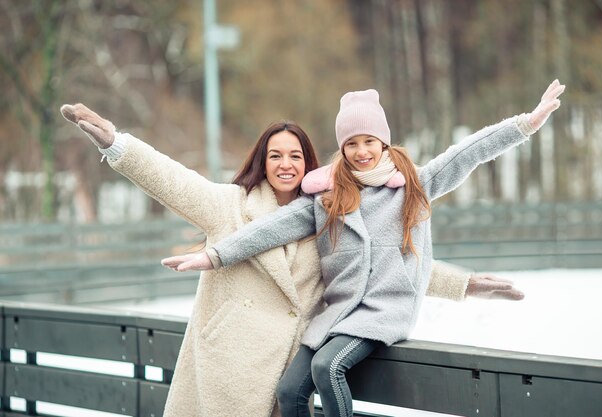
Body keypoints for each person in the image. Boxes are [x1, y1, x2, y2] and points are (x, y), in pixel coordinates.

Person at [61, 104, 523, 417]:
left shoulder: (329, 213)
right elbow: (172, 180)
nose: (286, 164)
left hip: (278, 379)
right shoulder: (228, 205)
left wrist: (463, 286)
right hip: (226, 372)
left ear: (310, 164)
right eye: (275, 155)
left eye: (296, 156)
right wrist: (116, 144)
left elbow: (381, 265)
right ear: (262, 161)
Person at [162, 80, 565, 417]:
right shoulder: (326, 200)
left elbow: (468, 154)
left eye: (369, 140)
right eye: (352, 143)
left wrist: (525, 124)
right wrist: (212, 256)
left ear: (383, 142)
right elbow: (267, 230)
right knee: (288, 392)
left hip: (381, 313)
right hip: (336, 314)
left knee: (328, 365)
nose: (361, 151)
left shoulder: (414, 186)